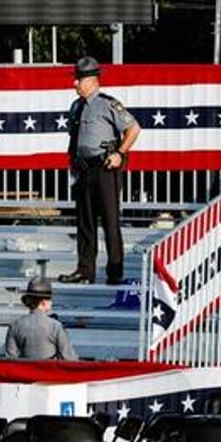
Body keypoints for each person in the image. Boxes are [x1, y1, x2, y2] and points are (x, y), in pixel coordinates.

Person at [58, 56, 141, 285]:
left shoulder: (108, 104)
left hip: (104, 167)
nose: (75, 83)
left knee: (110, 221)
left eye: (79, 79)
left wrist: (120, 153)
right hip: (84, 169)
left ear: (92, 80)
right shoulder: (76, 107)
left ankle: (115, 272)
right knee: (85, 222)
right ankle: (85, 270)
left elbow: (133, 128)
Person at [5, 278, 77, 360]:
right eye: (50, 299)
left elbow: (10, 359)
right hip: (49, 371)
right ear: (43, 302)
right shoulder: (55, 326)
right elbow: (69, 359)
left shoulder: (15, 325)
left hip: (25, 371)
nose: (52, 302)